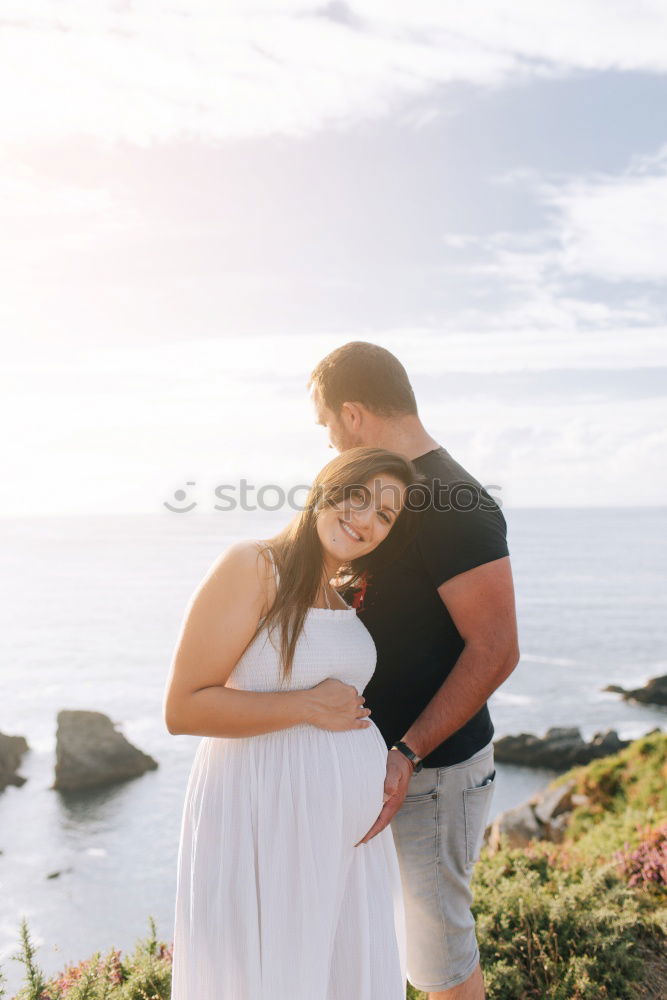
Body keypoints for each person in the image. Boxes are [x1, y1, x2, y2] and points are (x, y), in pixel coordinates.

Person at [164, 446, 422, 1000]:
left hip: (344, 841)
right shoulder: (255, 566)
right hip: (265, 819)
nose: (364, 520)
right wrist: (307, 705)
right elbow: (183, 708)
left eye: (384, 515)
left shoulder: (341, 595)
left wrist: (394, 757)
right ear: (325, 488)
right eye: (358, 498)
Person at [309, 342, 520, 1000]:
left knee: (439, 960)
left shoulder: (452, 502)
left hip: (431, 775)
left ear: (352, 415)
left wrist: (407, 750)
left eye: (324, 426)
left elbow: (495, 648)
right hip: (395, 771)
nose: (325, 443)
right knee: (405, 948)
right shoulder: (389, 495)